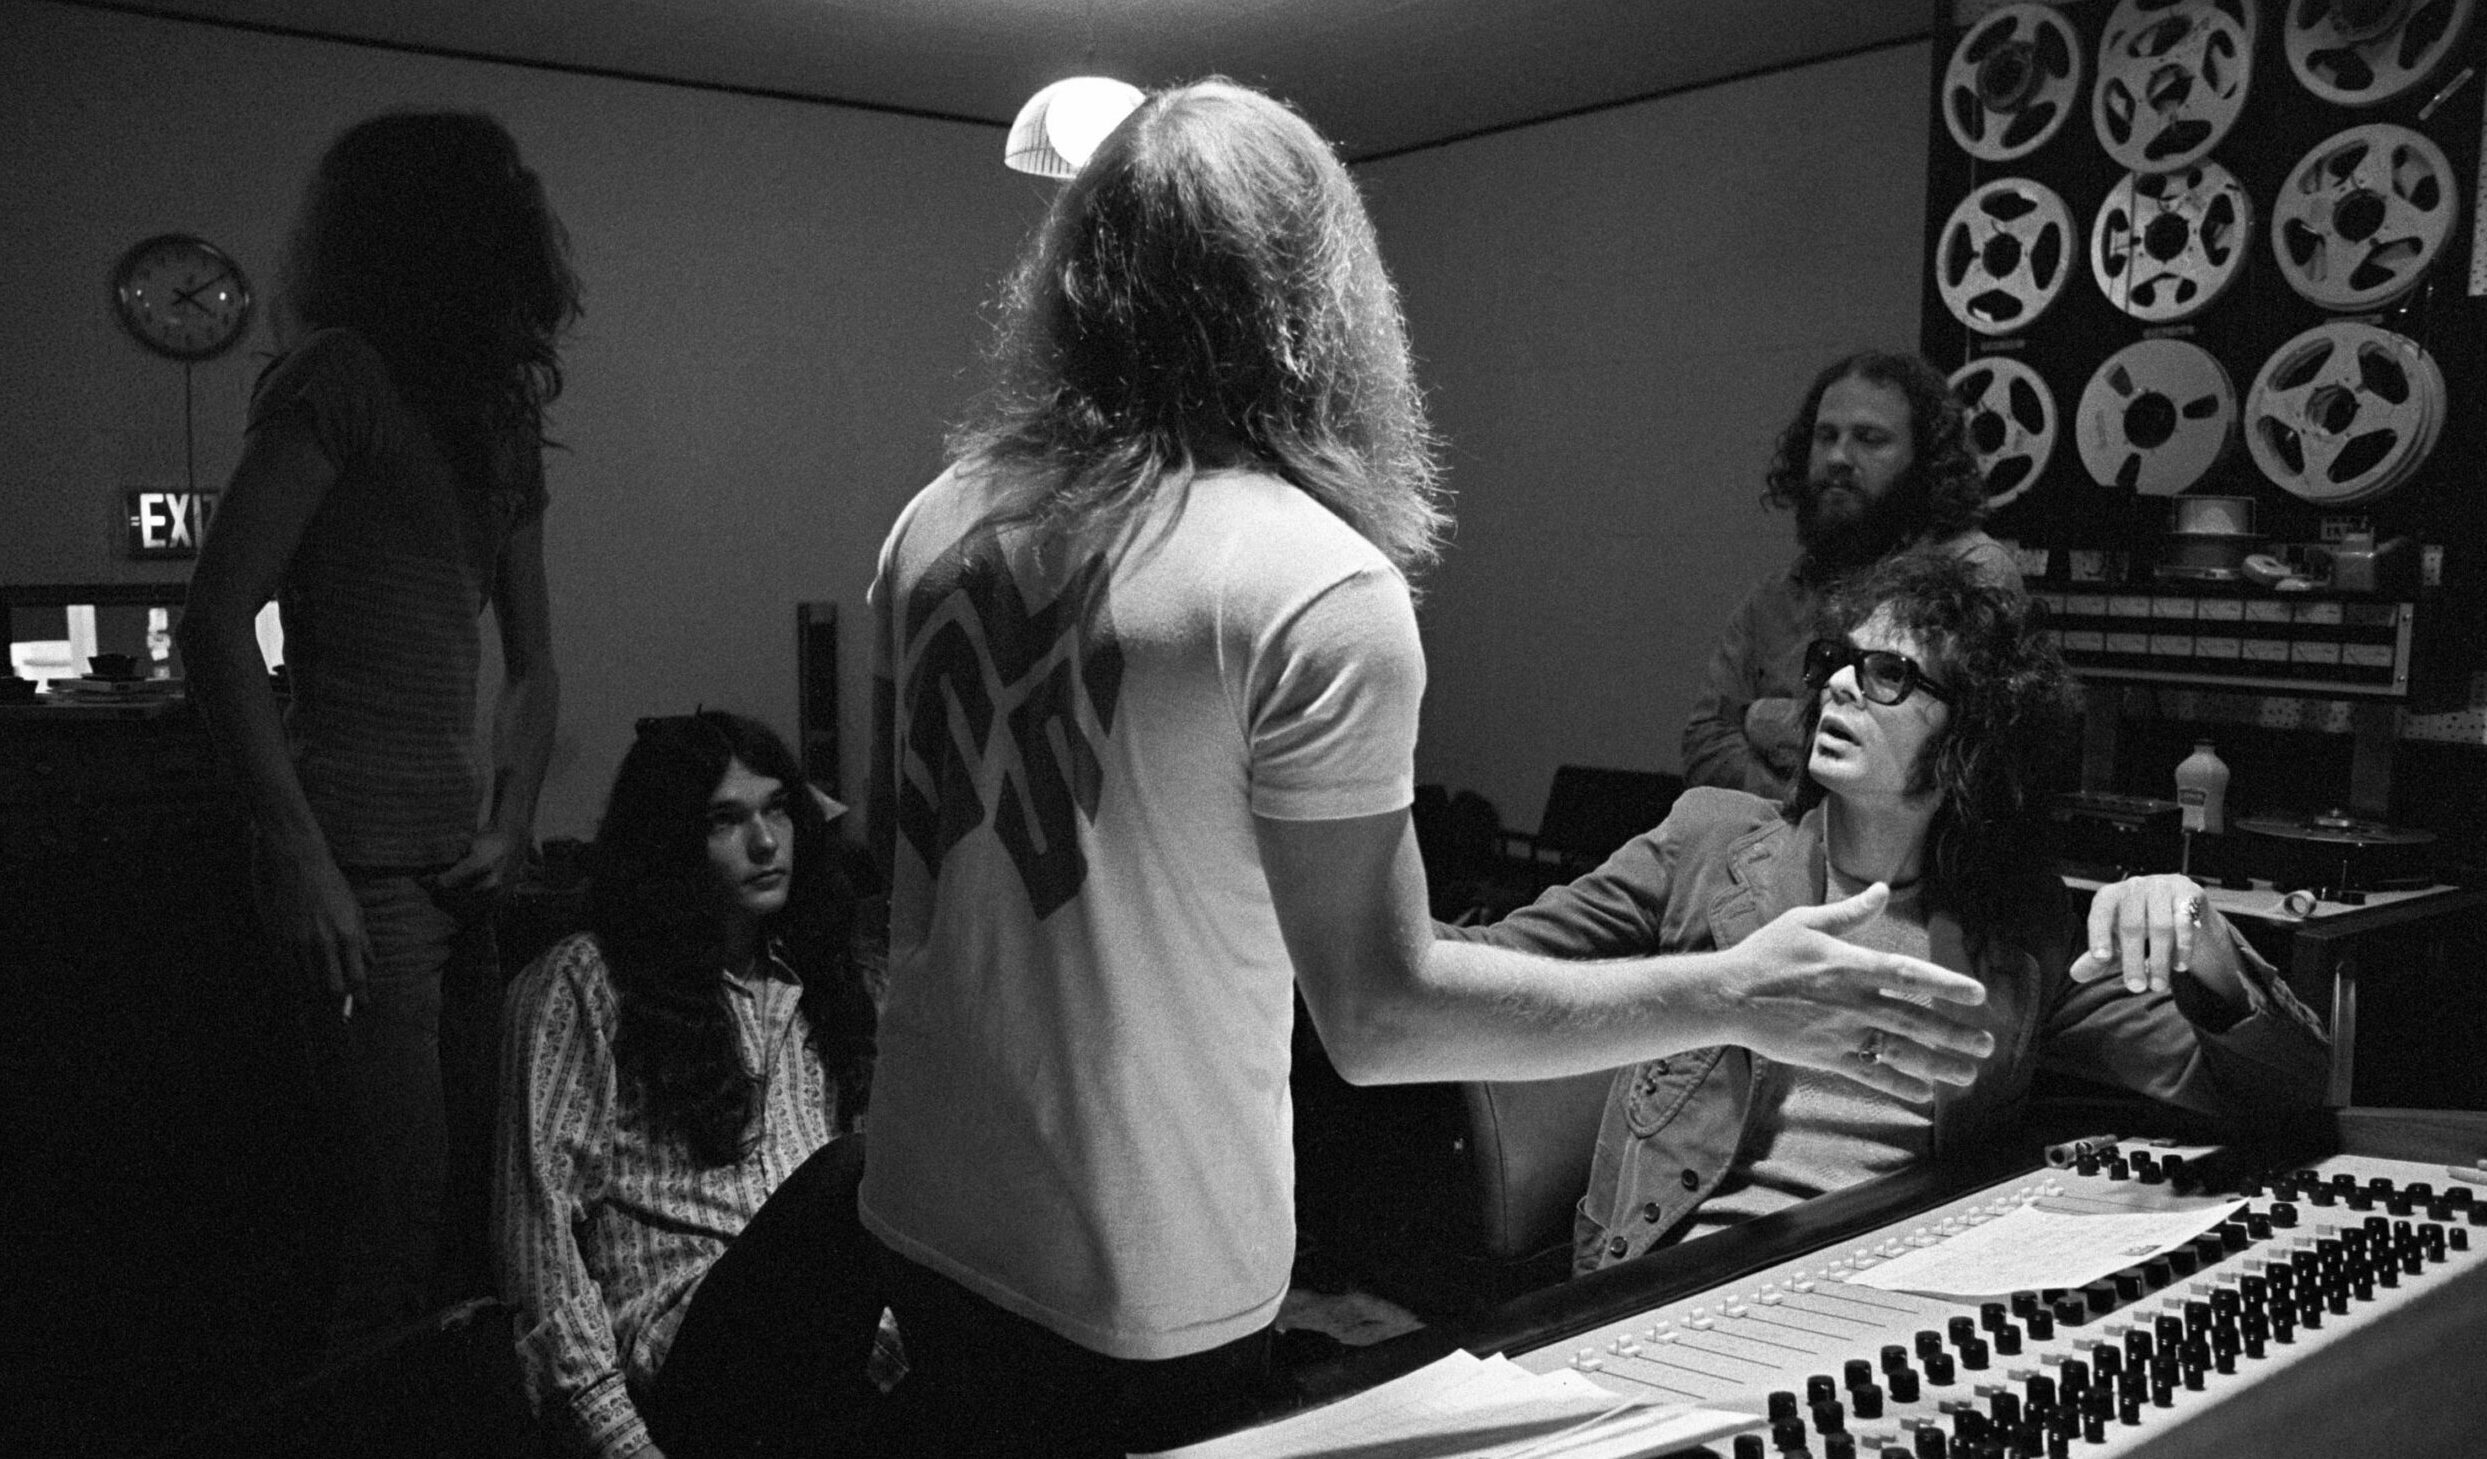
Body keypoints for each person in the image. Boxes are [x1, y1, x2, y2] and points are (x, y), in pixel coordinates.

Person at [862, 79, 2001, 1458]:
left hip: (918, 1208)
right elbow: (1379, 1013)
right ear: (1318, 292)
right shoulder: (1305, 578)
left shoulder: (936, 521)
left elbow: (912, 899)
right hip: (1135, 1278)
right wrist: (1729, 994)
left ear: (1077, 277)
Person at [1444, 551, 2330, 1275]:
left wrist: (2203, 944)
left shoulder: (2015, 927)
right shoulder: (1706, 842)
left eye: (1887, 674)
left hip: (1896, 1274)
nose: (1836, 687)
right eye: (1834, 662)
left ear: (1970, 742)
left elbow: (2281, 1101)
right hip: (1681, 1272)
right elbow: (1461, 969)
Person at [180, 110, 579, 1348]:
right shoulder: (338, 375)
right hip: (350, 858)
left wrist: (514, 819)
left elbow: (538, 662)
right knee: (395, 1209)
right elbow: (214, 621)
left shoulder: (496, 420)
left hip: (460, 865)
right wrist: (297, 854)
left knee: (477, 1201)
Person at [497, 711, 884, 1459]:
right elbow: (537, 1259)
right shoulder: (586, 984)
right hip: (688, 1371)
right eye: (726, 820)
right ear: (671, 843)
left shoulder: (823, 982)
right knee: (856, 1171)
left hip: (833, 1370)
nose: (767, 841)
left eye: (777, 808)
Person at [1683, 350, 2024, 800]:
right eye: (1826, 436)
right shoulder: (1777, 597)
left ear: (1925, 459)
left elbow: (1924, 757)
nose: (1839, 456)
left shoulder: (1971, 570)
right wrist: (1799, 819)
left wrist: (1760, 718)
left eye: (1870, 438)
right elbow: (1704, 743)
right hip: (1769, 859)